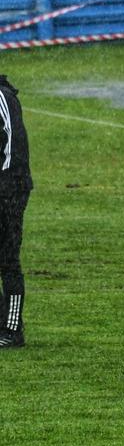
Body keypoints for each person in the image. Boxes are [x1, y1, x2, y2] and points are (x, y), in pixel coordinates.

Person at [0, 75, 32, 350]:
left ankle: (12, 329)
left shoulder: (3, 99)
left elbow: (12, 151)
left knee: (8, 259)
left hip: (10, 188)